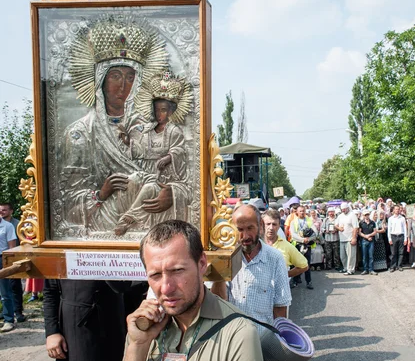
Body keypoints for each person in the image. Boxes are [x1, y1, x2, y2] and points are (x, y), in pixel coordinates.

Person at [60, 18, 186, 238]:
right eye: (115, 76)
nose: (123, 86)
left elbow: (181, 177)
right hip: (104, 223)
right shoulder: (80, 134)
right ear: (101, 80)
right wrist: (101, 193)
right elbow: (66, 204)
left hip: (151, 222)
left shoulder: (147, 127)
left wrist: (172, 194)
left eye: (130, 77)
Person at [112, 220, 268, 361]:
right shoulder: (144, 328)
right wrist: (138, 346)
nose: (166, 288)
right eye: (155, 275)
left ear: (201, 264)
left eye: (177, 271)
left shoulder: (237, 334)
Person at [115, 71, 192, 236]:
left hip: (166, 177)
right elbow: (141, 151)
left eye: (163, 110)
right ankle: (125, 220)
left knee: (150, 188)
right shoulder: (149, 130)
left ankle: (129, 219)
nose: (159, 114)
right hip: (149, 172)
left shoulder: (174, 131)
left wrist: (169, 157)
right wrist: (128, 142)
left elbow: (179, 151)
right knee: (131, 181)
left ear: (171, 112)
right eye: (157, 110)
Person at [211, 205, 292, 327]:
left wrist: (278, 340)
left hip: (263, 339)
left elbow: (281, 305)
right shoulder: (225, 257)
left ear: (260, 226)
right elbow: (218, 303)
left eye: (250, 228)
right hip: (233, 338)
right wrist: (220, 274)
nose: (245, 236)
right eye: (240, 229)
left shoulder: (275, 258)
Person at [44, 279, 131, 361]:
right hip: (74, 328)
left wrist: (103, 265)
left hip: (112, 324)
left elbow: (124, 287)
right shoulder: (60, 260)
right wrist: (52, 332)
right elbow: (50, 291)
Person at [262, 209, 309, 288]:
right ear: (261, 225)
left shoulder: (287, 246)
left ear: (279, 225)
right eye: (268, 224)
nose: (271, 227)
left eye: (274, 224)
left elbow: (304, 266)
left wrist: (285, 275)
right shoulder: (256, 244)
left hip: (279, 293)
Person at [0, 203, 26, 323]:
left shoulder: (16, 224)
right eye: (1, 210)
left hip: (11, 256)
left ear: (11, 211)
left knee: (14, 286)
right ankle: (6, 311)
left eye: (4, 210)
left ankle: (18, 311)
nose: (2, 212)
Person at [290, 206, 317, 289]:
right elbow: (293, 235)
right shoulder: (293, 222)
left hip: (307, 245)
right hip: (297, 245)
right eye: (300, 211)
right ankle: (295, 280)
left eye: (303, 211)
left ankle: (309, 282)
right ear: (297, 212)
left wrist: (308, 239)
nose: (302, 212)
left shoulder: (309, 221)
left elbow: (315, 233)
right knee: (296, 264)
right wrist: (302, 240)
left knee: (307, 264)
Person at [0, 214, 17, 332]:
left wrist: (9, 264)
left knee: (5, 292)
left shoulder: (7, 226)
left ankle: (8, 319)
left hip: (2, 258)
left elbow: (11, 247)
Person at [335, 202, 359, 275]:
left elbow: (355, 227)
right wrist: (339, 228)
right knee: (343, 256)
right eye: (342, 209)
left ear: (348, 208)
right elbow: (335, 225)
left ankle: (351, 270)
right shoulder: (340, 216)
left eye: (344, 209)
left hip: (350, 239)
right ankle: (345, 268)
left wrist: (354, 238)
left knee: (351, 256)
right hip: (342, 239)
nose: (343, 210)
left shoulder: (352, 215)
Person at [387, 205, 407, 273]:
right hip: (393, 236)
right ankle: (393, 266)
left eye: (398, 209)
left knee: (401, 252)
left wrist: (405, 239)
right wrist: (389, 238)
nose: (397, 210)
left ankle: (399, 265)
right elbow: (389, 229)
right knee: (393, 253)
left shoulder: (402, 218)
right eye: (396, 209)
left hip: (401, 235)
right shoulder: (390, 219)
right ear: (393, 210)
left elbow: (405, 228)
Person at [359, 210, 377, 275]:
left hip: (371, 240)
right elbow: (359, 232)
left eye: (367, 214)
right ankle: (365, 269)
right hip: (364, 240)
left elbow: (375, 231)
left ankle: (371, 269)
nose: (366, 216)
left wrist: (369, 235)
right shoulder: (361, 223)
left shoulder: (372, 222)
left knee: (371, 256)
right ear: (363, 215)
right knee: (364, 256)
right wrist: (366, 237)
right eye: (365, 215)